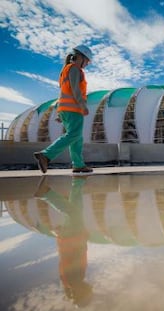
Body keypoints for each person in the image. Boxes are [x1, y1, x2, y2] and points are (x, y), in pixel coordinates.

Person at [34, 175, 93, 307]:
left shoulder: (75, 280)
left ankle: (45, 194)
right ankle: (77, 182)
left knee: (73, 212)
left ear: (82, 293)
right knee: (77, 208)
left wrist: (83, 238)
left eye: (88, 292)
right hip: (70, 238)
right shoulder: (69, 282)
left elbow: (75, 255)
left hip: (73, 237)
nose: (90, 289)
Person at [34, 45, 93, 174]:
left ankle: (78, 164)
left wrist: (60, 112)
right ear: (81, 57)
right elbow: (75, 90)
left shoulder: (66, 70)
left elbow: (63, 93)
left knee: (77, 138)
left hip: (66, 109)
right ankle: (46, 155)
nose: (87, 64)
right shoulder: (75, 69)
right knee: (73, 135)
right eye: (87, 61)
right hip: (74, 109)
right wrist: (83, 105)